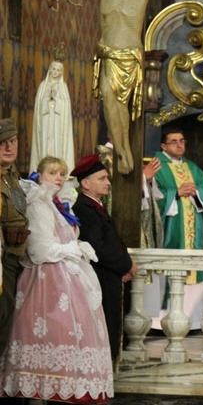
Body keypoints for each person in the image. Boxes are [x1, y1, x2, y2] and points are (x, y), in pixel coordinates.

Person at [27, 0, 203, 174]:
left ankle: (125, 146)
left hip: (129, 58)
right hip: (108, 54)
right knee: (108, 97)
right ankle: (121, 151)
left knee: (122, 105)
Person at [0, 157, 114, 405]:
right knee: (42, 336)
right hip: (45, 280)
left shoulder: (58, 204)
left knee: (61, 337)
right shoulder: (39, 204)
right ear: (40, 176)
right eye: (53, 173)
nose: (59, 178)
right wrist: (73, 249)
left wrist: (76, 247)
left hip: (63, 276)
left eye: (62, 173)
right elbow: (39, 249)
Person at [71, 154, 137, 368]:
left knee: (111, 324)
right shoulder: (83, 208)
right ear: (85, 184)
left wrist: (127, 263)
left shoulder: (96, 206)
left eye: (107, 178)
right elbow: (98, 248)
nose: (108, 182)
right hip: (100, 277)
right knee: (102, 326)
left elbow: (116, 240)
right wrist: (125, 265)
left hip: (109, 276)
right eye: (102, 178)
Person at [150, 127, 203, 330]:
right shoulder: (156, 166)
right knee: (164, 269)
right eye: (174, 141)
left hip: (192, 233)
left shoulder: (193, 168)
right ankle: (159, 323)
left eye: (182, 140)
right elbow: (150, 198)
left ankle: (192, 322)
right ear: (163, 146)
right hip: (169, 231)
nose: (179, 145)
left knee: (192, 270)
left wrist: (197, 192)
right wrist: (175, 193)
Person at [0, 119, 28, 405]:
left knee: (3, 334)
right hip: (1, 260)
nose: (9, 148)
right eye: (3, 143)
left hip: (13, 260)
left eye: (13, 141)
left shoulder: (13, 177)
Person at [30, 58, 75, 173]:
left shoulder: (63, 87)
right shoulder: (43, 86)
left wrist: (56, 99)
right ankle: (43, 171)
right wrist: (47, 99)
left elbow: (65, 108)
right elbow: (39, 107)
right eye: (53, 69)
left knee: (57, 147)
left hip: (58, 124)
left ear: (61, 72)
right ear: (50, 70)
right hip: (45, 122)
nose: (55, 72)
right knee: (45, 145)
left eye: (58, 70)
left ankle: (58, 171)